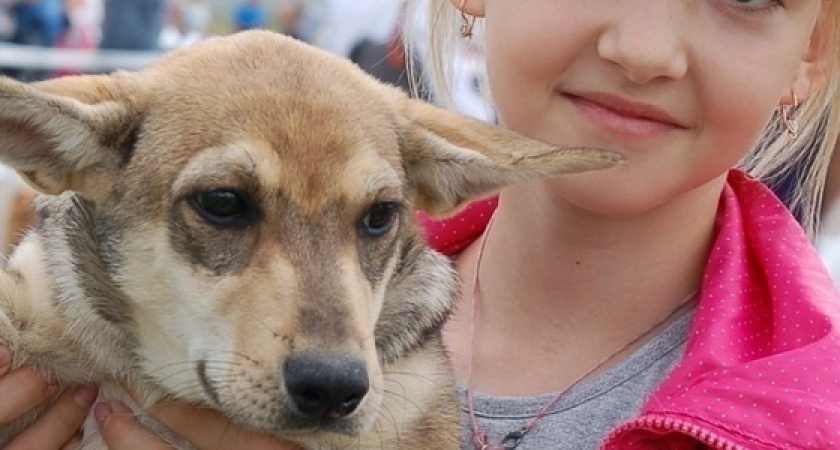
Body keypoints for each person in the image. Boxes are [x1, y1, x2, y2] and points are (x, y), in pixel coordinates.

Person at [3, 0, 840, 449]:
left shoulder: (812, 417)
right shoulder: (42, 313)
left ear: (812, 51)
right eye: (225, 204)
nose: (644, 48)